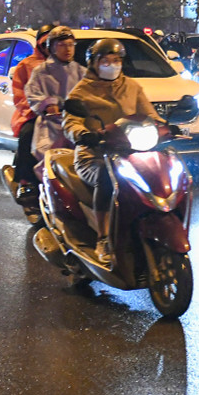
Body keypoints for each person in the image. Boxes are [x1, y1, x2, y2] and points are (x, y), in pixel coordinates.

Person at [61, 38, 159, 254]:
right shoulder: (81, 91)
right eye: (106, 60)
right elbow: (70, 122)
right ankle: (103, 237)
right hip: (95, 155)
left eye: (116, 60)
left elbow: (150, 114)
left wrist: (166, 127)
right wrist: (83, 134)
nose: (112, 65)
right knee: (107, 177)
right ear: (94, 63)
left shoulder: (132, 87)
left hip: (132, 153)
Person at [3, 28, 51, 203]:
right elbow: (21, 95)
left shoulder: (73, 67)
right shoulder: (27, 65)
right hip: (34, 114)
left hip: (64, 116)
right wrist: (38, 110)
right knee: (28, 134)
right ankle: (25, 180)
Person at [25, 25, 84, 157]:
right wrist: (49, 104)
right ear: (52, 47)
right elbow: (32, 94)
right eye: (62, 45)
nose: (68, 49)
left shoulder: (82, 71)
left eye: (71, 44)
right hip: (51, 125)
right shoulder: (41, 72)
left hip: (78, 124)